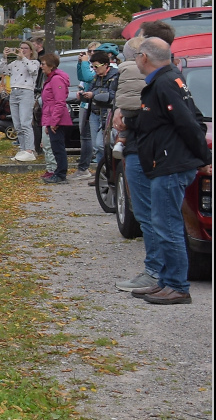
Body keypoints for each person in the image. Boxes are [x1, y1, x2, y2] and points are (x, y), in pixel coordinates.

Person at [119, 36, 211, 305]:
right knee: (162, 224)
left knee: (168, 226)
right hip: (165, 163)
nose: (135, 61)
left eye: (136, 56)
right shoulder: (167, 80)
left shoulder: (165, 83)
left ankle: (177, 286)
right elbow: (171, 121)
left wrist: (203, 156)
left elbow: (189, 123)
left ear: (144, 58)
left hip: (170, 165)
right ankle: (166, 281)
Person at [112, 20, 180, 293]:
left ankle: (157, 273)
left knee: (151, 216)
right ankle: (159, 273)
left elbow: (165, 118)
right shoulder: (164, 75)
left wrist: (128, 122)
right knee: (152, 216)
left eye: (140, 42)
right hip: (144, 149)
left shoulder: (161, 78)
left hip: (145, 151)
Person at [78, 50, 116, 178]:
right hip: (94, 113)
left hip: (107, 114)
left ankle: (111, 170)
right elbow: (91, 88)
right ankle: (102, 174)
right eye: (92, 67)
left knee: (101, 144)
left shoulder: (115, 76)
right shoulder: (96, 77)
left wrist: (94, 94)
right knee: (96, 146)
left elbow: (112, 95)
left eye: (96, 66)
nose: (94, 69)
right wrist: (84, 94)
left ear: (106, 64)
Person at [1, 41, 41, 162]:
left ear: (31, 50)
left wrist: (23, 57)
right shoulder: (15, 63)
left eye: (25, 48)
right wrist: (4, 58)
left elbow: (33, 70)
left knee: (25, 122)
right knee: (17, 124)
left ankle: (30, 149)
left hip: (26, 92)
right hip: (14, 92)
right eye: (21, 48)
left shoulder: (34, 62)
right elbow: (4, 71)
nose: (22, 50)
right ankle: (23, 148)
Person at [39, 52, 72, 183]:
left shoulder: (56, 79)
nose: (41, 66)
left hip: (57, 119)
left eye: (43, 64)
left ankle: (60, 173)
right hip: (52, 117)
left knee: (58, 147)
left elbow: (59, 102)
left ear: (51, 66)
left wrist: (54, 122)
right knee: (55, 146)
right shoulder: (51, 78)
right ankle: (59, 172)